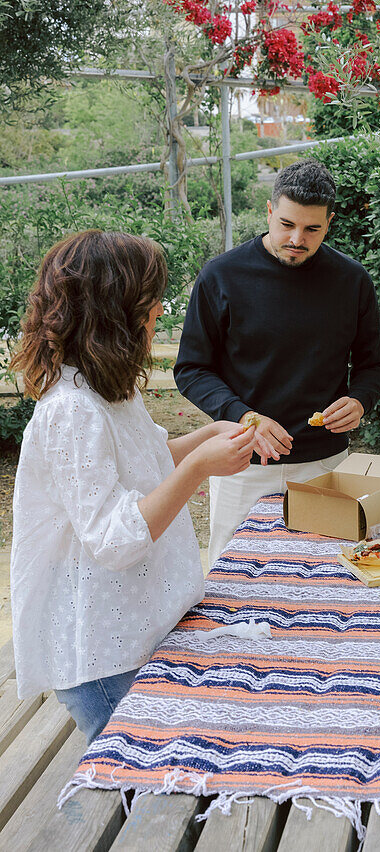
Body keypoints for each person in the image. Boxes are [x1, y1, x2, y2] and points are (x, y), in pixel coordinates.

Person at [10, 230, 258, 742]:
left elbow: (142, 465)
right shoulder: (73, 411)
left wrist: (203, 439)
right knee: (147, 797)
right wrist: (198, 470)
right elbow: (113, 539)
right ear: (113, 314)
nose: (161, 311)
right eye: (150, 301)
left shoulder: (106, 387)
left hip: (137, 630)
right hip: (103, 657)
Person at [174, 160, 380, 562]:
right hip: (241, 462)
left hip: (326, 461)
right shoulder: (221, 276)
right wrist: (243, 416)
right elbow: (191, 368)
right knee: (233, 575)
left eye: (312, 229)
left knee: (326, 574)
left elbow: (374, 365)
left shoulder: (352, 280)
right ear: (269, 210)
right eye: (287, 223)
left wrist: (361, 399)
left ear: (329, 222)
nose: (297, 238)